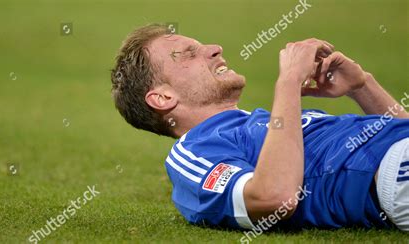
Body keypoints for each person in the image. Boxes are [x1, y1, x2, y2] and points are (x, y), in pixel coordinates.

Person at [110, 24, 409, 231]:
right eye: (189, 54)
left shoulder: (261, 121)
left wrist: (362, 87)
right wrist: (290, 80)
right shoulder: (194, 150)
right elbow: (273, 198)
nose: (215, 48)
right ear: (163, 98)